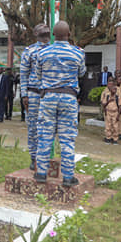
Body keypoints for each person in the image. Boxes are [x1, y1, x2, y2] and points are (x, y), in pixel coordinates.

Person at [33, 21, 87, 186]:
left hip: (48, 97)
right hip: (69, 98)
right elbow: (82, 73)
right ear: (69, 35)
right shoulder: (78, 53)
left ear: (52, 35)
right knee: (67, 138)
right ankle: (68, 177)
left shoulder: (42, 53)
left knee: (44, 135)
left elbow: (38, 74)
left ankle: (41, 173)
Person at [21, 24, 50, 167]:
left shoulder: (54, 49)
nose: (45, 34)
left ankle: (45, 157)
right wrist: (24, 95)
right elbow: (23, 74)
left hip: (50, 94)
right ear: (36, 33)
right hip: (33, 93)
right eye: (42, 31)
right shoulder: (29, 51)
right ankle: (34, 157)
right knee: (32, 127)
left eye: (47, 31)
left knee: (48, 127)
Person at [101, 79, 121, 144]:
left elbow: (120, 106)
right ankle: (108, 138)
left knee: (115, 126)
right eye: (113, 89)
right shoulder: (107, 95)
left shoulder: (117, 96)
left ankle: (115, 139)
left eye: (115, 89)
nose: (114, 90)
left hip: (115, 112)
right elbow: (104, 104)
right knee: (108, 126)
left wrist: (118, 115)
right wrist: (109, 101)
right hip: (108, 112)